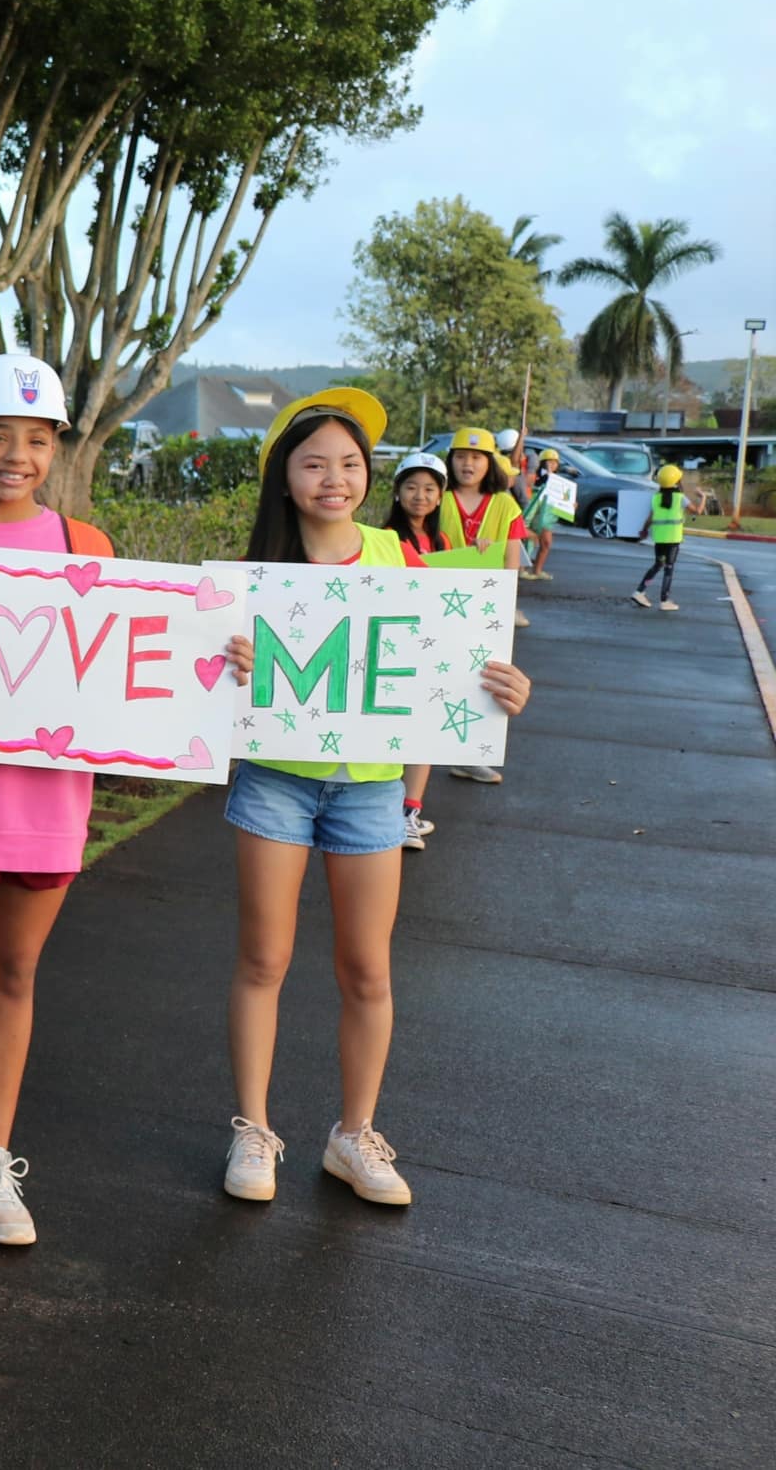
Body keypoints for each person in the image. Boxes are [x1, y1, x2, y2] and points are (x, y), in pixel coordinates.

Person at [0, 354, 245, 1248]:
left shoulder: (85, 546)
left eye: (37, 439)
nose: (17, 454)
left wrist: (222, 658)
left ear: (56, 447)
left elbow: (142, 659)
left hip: (50, 805)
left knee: (15, 976)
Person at [219, 391, 531, 1209]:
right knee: (264, 959)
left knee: (368, 968)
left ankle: (353, 1134)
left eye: (350, 464)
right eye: (314, 462)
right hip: (276, 779)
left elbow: (456, 658)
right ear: (284, 478)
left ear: (370, 475)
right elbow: (201, 681)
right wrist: (225, 660)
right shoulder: (255, 575)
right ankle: (252, 1129)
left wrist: (504, 686)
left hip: (371, 789)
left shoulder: (400, 555)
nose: (334, 478)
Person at [439, 426, 527, 781]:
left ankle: (469, 754)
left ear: (489, 463)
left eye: (476, 457)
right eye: (461, 456)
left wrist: (505, 604)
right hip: (439, 602)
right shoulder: (436, 498)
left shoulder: (506, 504)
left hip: (484, 608)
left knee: (479, 681)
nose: (468, 464)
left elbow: (512, 558)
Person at [384, 452, 450, 851]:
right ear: (396, 493)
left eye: (429, 489)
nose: (420, 496)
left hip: (431, 641)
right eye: (411, 487)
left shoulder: (441, 541)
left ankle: (409, 811)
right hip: (398, 639)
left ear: (440, 497)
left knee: (425, 731)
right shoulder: (387, 539)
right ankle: (394, 812)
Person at [632, 463, 692, 611]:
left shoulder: (656, 498)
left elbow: (650, 518)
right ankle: (664, 601)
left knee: (658, 564)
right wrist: (702, 497)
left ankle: (639, 591)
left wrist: (643, 531)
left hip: (659, 538)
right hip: (673, 539)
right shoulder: (680, 498)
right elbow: (698, 510)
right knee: (669, 568)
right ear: (677, 481)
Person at [523, 448, 562, 579]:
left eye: (554, 462)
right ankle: (520, 570)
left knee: (546, 543)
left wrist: (571, 506)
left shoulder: (560, 481)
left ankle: (537, 571)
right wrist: (547, 476)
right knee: (527, 540)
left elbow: (563, 500)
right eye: (548, 462)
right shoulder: (536, 475)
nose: (552, 464)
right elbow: (533, 485)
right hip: (533, 512)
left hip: (547, 516)